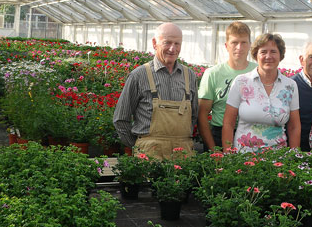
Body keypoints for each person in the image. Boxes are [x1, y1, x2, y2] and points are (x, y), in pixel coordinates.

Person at [113, 22, 198, 159]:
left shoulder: (190, 76)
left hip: (183, 153)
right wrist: (139, 146)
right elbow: (121, 119)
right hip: (149, 154)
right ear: (154, 43)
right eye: (167, 43)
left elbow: (193, 116)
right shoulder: (139, 75)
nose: (172, 48)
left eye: (177, 44)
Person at [222, 33, 300, 153]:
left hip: (278, 158)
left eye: (273, 52)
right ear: (256, 55)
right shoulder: (241, 82)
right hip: (243, 157)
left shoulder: (290, 86)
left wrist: (294, 156)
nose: (268, 56)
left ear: (280, 55)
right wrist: (227, 155)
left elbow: (294, 127)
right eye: (263, 52)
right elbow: (228, 123)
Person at [197, 22, 257, 151]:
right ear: (226, 46)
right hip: (218, 135)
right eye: (234, 42)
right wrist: (213, 149)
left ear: (250, 46)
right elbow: (202, 114)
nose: (239, 47)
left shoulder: (257, 72)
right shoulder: (213, 74)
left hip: (251, 134)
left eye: (244, 42)